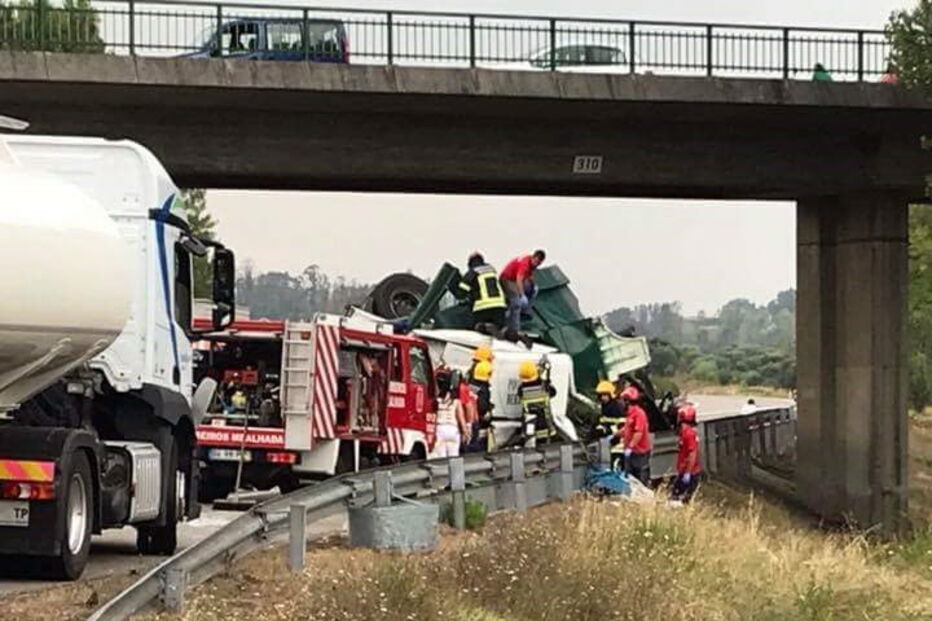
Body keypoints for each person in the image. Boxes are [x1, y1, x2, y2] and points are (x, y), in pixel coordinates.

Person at [500, 250, 546, 339]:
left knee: (534, 289)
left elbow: (529, 276)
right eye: (536, 262)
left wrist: (532, 285)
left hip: (514, 280)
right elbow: (519, 279)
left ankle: (525, 310)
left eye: (539, 263)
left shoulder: (531, 264)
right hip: (507, 280)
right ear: (533, 257)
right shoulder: (525, 263)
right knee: (516, 303)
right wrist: (522, 295)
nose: (537, 265)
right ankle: (514, 328)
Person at [458, 252, 507, 336]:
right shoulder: (491, 269)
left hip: (483, 307)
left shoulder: (473, 271)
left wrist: (467, 297)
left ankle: (485, 326)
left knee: (478, 328)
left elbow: (462, 289)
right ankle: (513, 334)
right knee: (500, 328)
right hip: (500, 306)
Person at [517, 359, 558, 447]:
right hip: (544, 423)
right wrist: (544, 378)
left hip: (529, 423)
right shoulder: (543, 387)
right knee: (543, 447)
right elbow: (553, 392)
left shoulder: (521, 390)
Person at [619, 386, 652, 486]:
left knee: (640, 478)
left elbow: (638, 433)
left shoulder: (639, 414)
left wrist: (630, 446)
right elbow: (628, 429)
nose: (621, 403)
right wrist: (616, 434)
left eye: (623, 401)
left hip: (640, 453)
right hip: (632, 452)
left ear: (627, 401)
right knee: (630, 478)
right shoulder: (630, 414)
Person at [433, 369, 469, 458]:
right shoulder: (455, 401)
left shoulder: (436, 400)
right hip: (453, 429)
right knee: (454, 458)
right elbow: (461, 418)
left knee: (441, 458)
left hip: (439, 429)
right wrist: (465, 432)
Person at [671, 403, 701, 503]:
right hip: (684, 471)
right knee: (675, 497)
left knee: (681, 499)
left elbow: (692, 454)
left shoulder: (689, 434)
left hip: (690, 472)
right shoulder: (684, 432)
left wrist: (688, 472)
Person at [467, 360, 493, 452]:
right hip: (479, 422)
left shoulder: (470, 384)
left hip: (469, 419)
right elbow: (482, 407)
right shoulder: (483, 389)